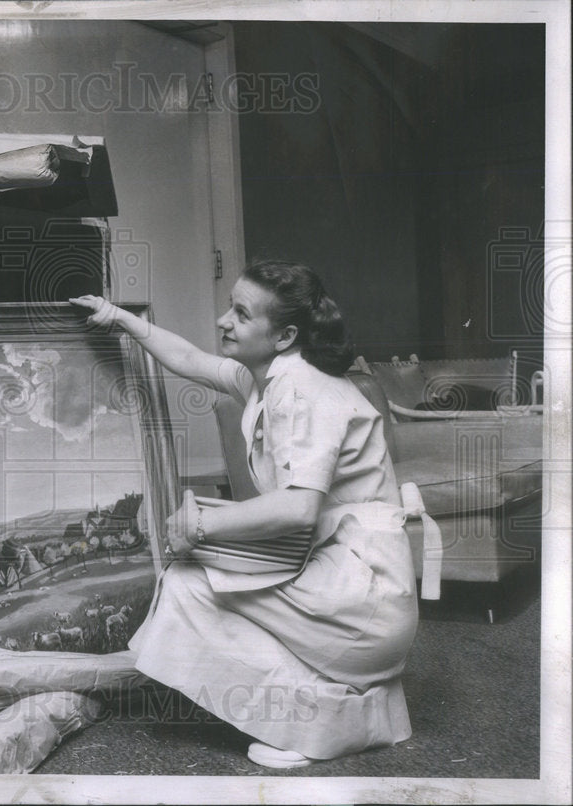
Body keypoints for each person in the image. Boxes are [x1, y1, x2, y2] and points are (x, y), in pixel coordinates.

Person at [70, 259, 418, 769]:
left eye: (241, 313)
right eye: (229, 306)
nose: (222, 320)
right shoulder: (269, 378)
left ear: (285, 335)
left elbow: (300, 509)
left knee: (188, 586)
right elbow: (188, 358)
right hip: (345, 577)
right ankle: (341, 708)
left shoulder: (303, 391)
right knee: (198, 574)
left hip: (364, 595)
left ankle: (312, 726)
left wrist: (199, 525)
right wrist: (118, 317)